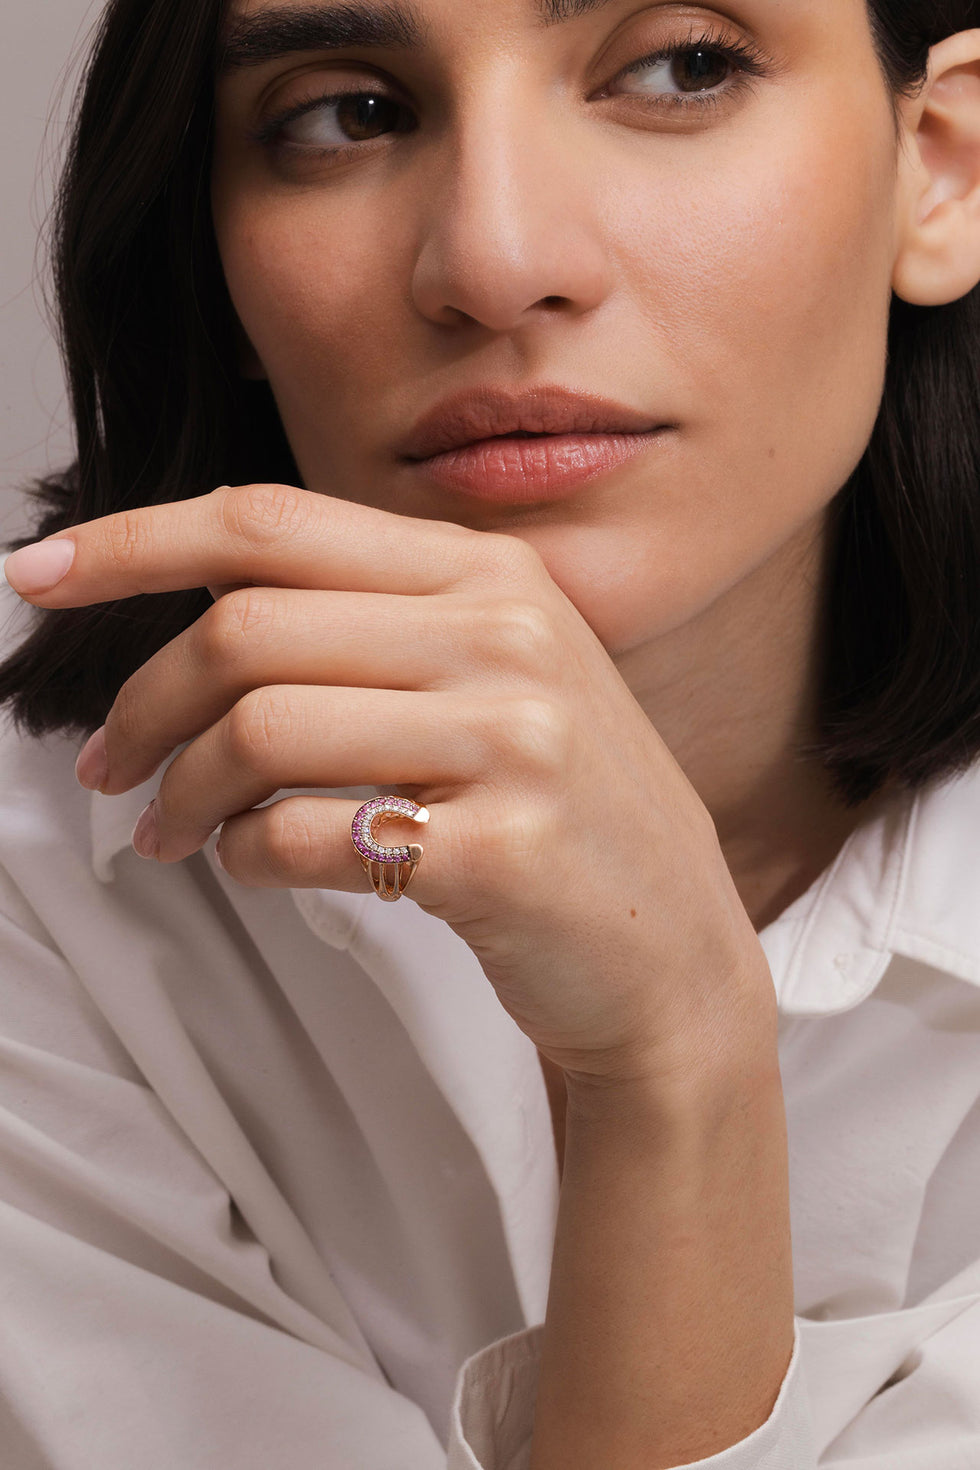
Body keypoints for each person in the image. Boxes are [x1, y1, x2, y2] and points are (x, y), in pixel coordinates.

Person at [0, 0, 979, 1464]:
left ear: (945, 166)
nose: (495, 262)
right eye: (350, 112)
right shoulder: (43, 899)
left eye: (680, 68)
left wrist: (678, 1050)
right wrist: (672, 1065)